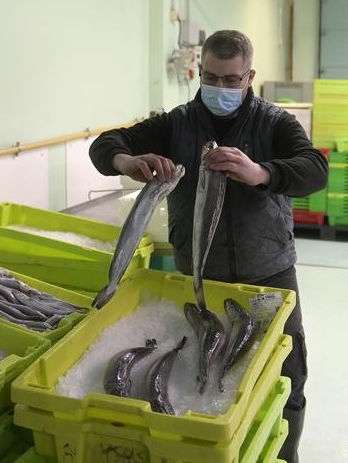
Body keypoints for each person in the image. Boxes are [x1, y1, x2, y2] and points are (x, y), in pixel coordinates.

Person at [89, 30, 327, 462]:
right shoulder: (175, 124)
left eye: (232, 79)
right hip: (200, 275)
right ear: (200, 72)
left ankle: (284, 455)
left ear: (249, 76)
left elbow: (314, 168)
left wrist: (260, 172)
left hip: (269, 274)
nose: (221, 88)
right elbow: (106, 144)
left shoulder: (276, 123)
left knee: (286, 375)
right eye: (212, 77)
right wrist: (127, 161)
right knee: (204, 373)